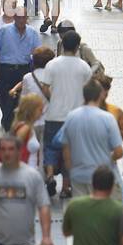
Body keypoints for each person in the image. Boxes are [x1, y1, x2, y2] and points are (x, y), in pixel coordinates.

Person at [36, 30, 92, 196]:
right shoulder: (84, 67)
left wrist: (53, 99)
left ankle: (51, 175)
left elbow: (45, 87)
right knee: (71, 151)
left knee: (51, 148)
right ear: (76, 47)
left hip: (54, 115)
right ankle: (66, 187)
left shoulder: (52, 64)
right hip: (76, 116)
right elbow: (89, 91)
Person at [56, 78, 123, 199]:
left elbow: (65, 148)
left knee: (83, 214)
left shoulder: (71, 116)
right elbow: (119, 152)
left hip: (78, 176)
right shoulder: (107, 118)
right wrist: (108, 159)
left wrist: (71, 169)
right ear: (100, 95)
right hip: (101, 176)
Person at [0, 6, 41, 130]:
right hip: (5, 69)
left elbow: (37, 52)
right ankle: (7, 118)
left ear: (27, 18)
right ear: (14, 18)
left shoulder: (32, 33)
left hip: (23, 70)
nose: (21, 20)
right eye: (18, 18)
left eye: (23, 17)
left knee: (18, 98)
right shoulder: (4, 31)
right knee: (4, 96)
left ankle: (10, 123)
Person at [12, 93, 44, 169]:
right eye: (40, 109)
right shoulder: (25, 128)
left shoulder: (28, 127)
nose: (42, 112)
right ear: (32, 110)